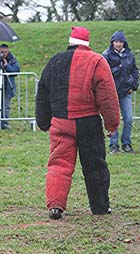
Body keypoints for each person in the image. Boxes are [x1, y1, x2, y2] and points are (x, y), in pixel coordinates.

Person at [35, 26, 120, 220]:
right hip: (88, 121)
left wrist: (43, 121)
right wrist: (112, 124)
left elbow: (43, 92)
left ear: (70, 42)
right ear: (87, 43)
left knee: (59, 164)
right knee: (95, 165)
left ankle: (55, 206)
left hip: (60, 121)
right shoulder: (97, 61)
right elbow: (107, 97)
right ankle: (100, 207)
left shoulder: (55, 61)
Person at [102, 31, 139, 154]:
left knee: (128, 119)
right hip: (111, 92)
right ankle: (113, 144)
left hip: (125, 92)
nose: (118, 44)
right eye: (116, 41)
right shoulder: (106, 55)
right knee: (113, 119)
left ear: (124, 43)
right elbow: (103, 72)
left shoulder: (129, 55)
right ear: (112, 42)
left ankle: (126, 143)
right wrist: (117, 69)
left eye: (120, 42)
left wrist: (133, 85)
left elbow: (134, 71)